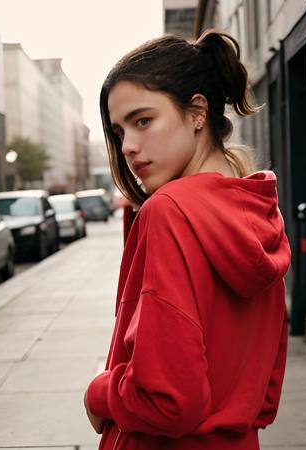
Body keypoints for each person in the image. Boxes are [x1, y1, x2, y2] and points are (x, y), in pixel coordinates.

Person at [84, 29, 291, 450]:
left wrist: (100, 393)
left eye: (143, 120)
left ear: (197, 112)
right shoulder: (256, 210)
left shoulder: (170, 212)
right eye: (119, 131)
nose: (128, 146)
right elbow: (266, 392)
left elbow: (169, 402)